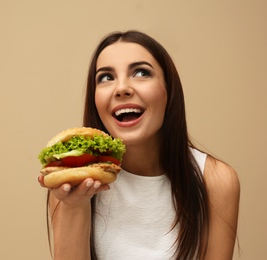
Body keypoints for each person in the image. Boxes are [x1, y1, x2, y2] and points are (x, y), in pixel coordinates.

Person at [38, 30, 240, 260]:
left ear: (169, 91)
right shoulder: (71, 181)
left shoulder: (215, 180)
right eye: (106, 77)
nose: (121, 88)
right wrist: (75, 207)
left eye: (141, 72)